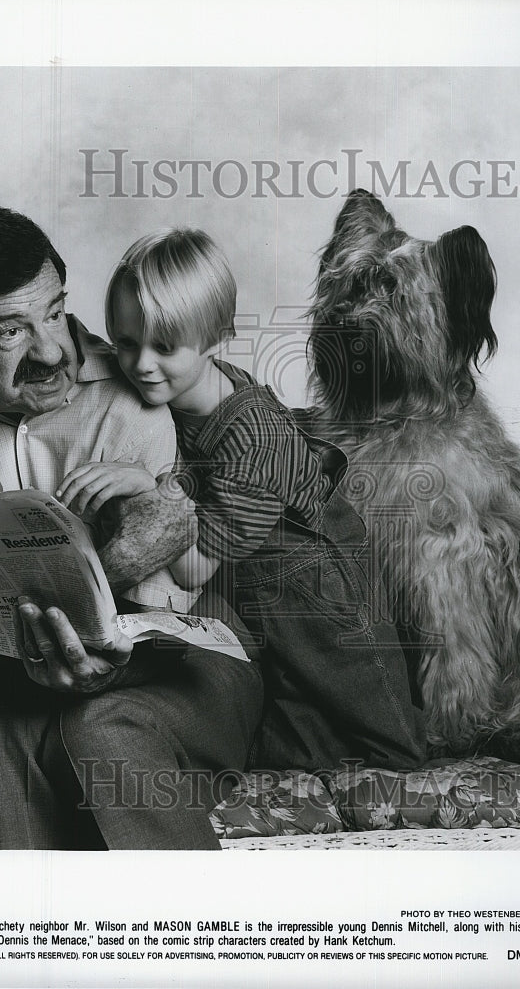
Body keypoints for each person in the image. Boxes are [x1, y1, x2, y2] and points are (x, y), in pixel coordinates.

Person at [0, 203, 263, 849]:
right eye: (9, 331)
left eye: (54, 311)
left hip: (179, 664)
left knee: (92, 721)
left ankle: (179, 934)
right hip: (10, 678)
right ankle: (33, 935)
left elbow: (163, 617)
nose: (51, 349)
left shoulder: (136, 398)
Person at [63, 227, 425, 774]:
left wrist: (146, 486)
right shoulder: (181, 391)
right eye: (126, 341)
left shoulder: (251, 443)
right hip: (251, 581)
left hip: (318, 589)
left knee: (379, 732)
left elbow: (190, 570)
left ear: (217, 338)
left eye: (165, 346)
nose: (139, 364)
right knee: (286, 731)